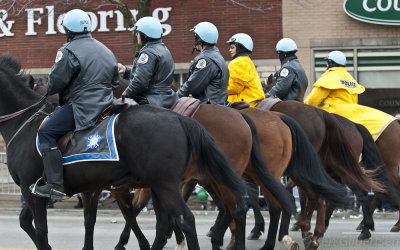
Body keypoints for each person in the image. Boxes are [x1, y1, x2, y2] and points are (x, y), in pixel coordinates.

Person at [29, 9, 120, 201]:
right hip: (106, 105)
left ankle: (54, 185)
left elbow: (54, 83)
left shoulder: (68, 51)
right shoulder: (106, 49)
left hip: (82, 107)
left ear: (68, 30)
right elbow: (114, 83)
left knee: (46, 132)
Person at [304, 50, 396, 140]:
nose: (326, 65)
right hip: (350, 116)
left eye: (327, 62)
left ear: (330, 63)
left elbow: (312, 100)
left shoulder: (329, 77)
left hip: (331, 117)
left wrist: (302, 106)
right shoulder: (350, 78)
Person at [118, 16, 176, 108]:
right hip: (166, 98)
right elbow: (153, 77)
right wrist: (126, 71)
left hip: (151, 99)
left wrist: (123, 96)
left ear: (144, 35)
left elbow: (140, 82)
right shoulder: (164, 49)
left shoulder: (148, 53)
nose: (136, 36)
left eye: (137, 33)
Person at [176, 21, 229, 105]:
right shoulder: (217, 56)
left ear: (199, 39)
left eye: (195, 37)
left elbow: (193, 85)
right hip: (218, 102)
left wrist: (175, 97)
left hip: (209, 104)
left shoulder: (206, 59)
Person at [226, 33, 265, 107]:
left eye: (232, 47)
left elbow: (235, 87)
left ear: (240, 48)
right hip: (252, 99)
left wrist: (219, 90)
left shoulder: (238, 62)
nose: (229, 50)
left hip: (246, 101)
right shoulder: (246, 60)